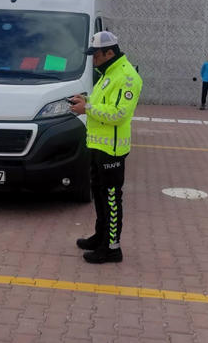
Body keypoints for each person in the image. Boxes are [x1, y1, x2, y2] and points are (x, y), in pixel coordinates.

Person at [70, 31, 143, 264]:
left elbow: (119, 114)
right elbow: (103, 104)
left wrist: (87, 109)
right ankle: (100, 236)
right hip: (98, 145)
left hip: (112, 149)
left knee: (111, 198)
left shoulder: (127, 77)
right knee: (100, 195)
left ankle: (112, 247)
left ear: (110, 53)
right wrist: (86, 102)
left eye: (96, 54)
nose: (93, 59)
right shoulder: (107, 73)